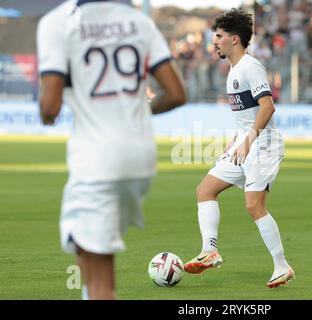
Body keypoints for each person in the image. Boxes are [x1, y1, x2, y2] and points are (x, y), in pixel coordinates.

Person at [37, 0, 185, 299]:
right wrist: (136, 111)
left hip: (97, 160)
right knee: (91, 259)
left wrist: (50, 107)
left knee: (100, 279)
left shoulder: (58, 22)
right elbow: (176, 93)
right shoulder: (139, 22)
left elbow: (49, 108)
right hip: (140, 158)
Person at [183, 8, 294, 288]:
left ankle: (282, 266)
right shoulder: (234, 69)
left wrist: (248, 140)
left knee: (254, 205)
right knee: (205, 190)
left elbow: (268, 106)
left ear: (235, 39)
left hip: (262, 145)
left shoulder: (250, 66)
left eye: (219, 36)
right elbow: (248, 113)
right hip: (244, 144)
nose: (215, 41)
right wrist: (235, 140)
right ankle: (209, 251)